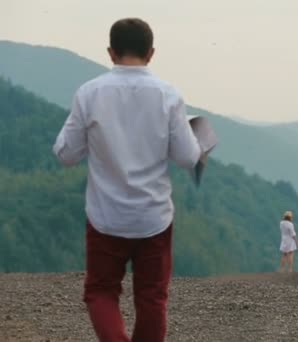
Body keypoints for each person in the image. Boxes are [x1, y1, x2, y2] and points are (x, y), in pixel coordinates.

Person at [52, 18, 207, 342]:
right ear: (151, 53)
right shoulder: (169, 96)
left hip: (105, 217)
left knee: (101, 292)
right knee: (152, 298)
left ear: (110, 52)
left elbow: (66, 154)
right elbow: (186, 157)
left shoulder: (89, 93)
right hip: (153, 218)